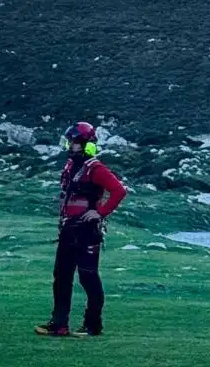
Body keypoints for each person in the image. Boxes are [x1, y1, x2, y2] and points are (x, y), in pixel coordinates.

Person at [35, 121, 127, 337]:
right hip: (68, 230)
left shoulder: (96, 169)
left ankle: (93, 324)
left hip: (87, 230)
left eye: (73, 142)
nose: (69, 146)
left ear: (84, 144)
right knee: (62, 276)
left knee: (88, 277)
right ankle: (59, 324)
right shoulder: (70, 167)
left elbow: (118, 191)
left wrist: (100, 212)